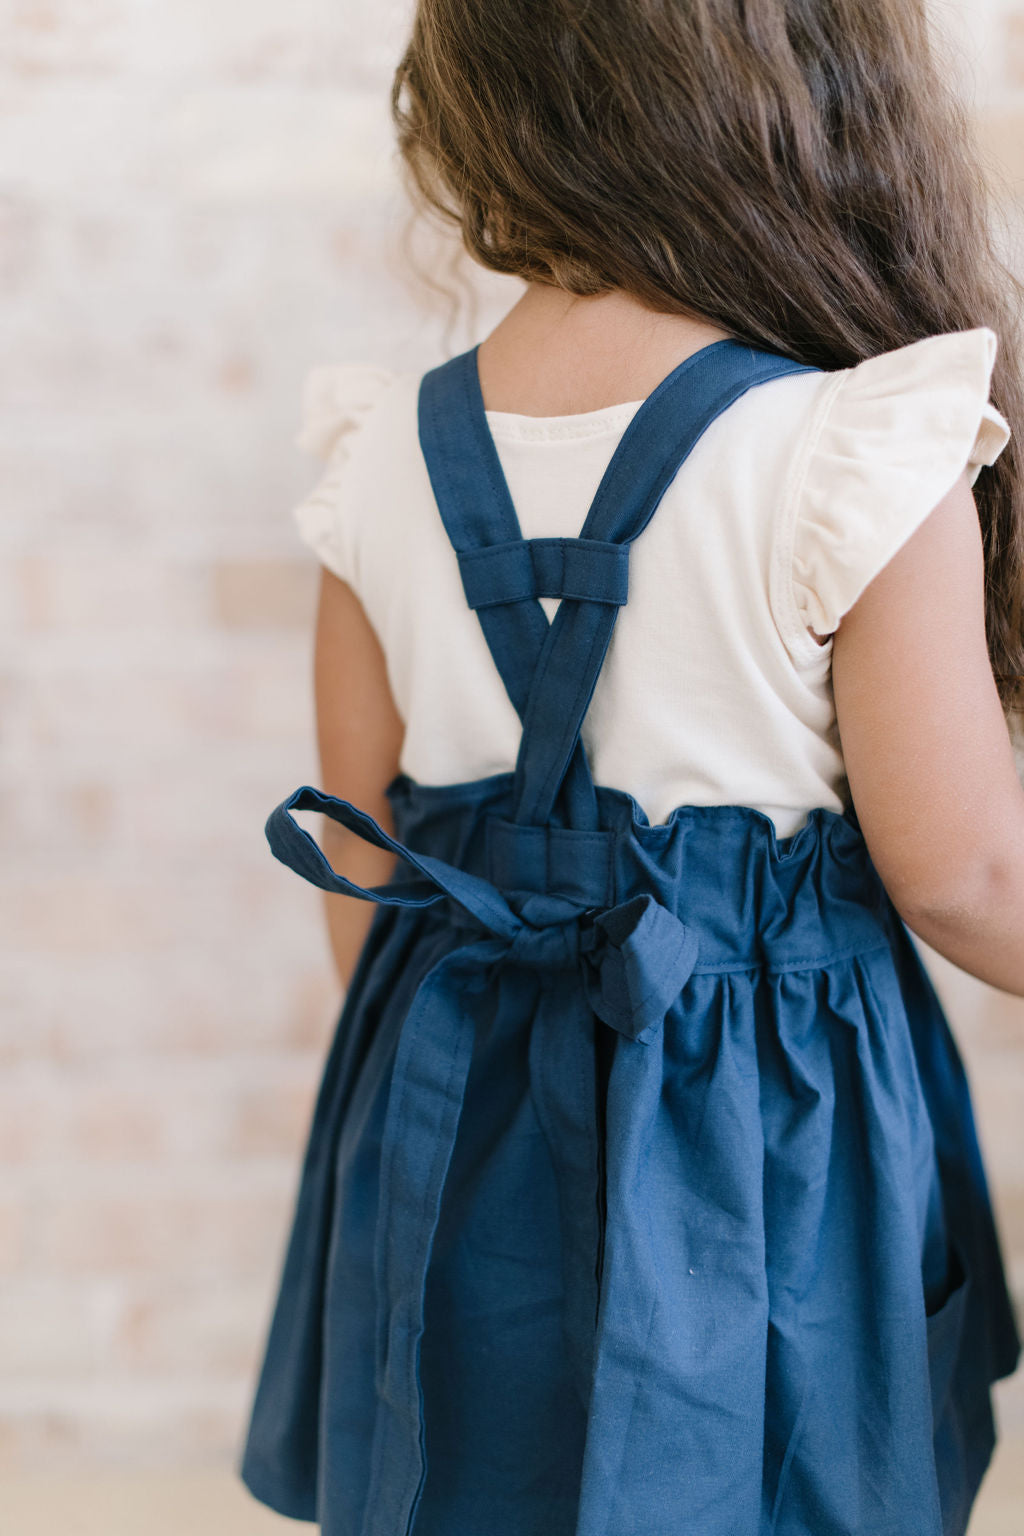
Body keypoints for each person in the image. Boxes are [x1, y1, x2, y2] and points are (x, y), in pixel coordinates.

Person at [238, 3, 1024, 1533]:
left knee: (469, 1475)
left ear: (470, 117)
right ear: (798, 103)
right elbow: (969, 869)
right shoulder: (850, 450)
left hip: (455, 1095)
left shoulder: (376, 458)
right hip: (763, 1134)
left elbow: (372, 874)